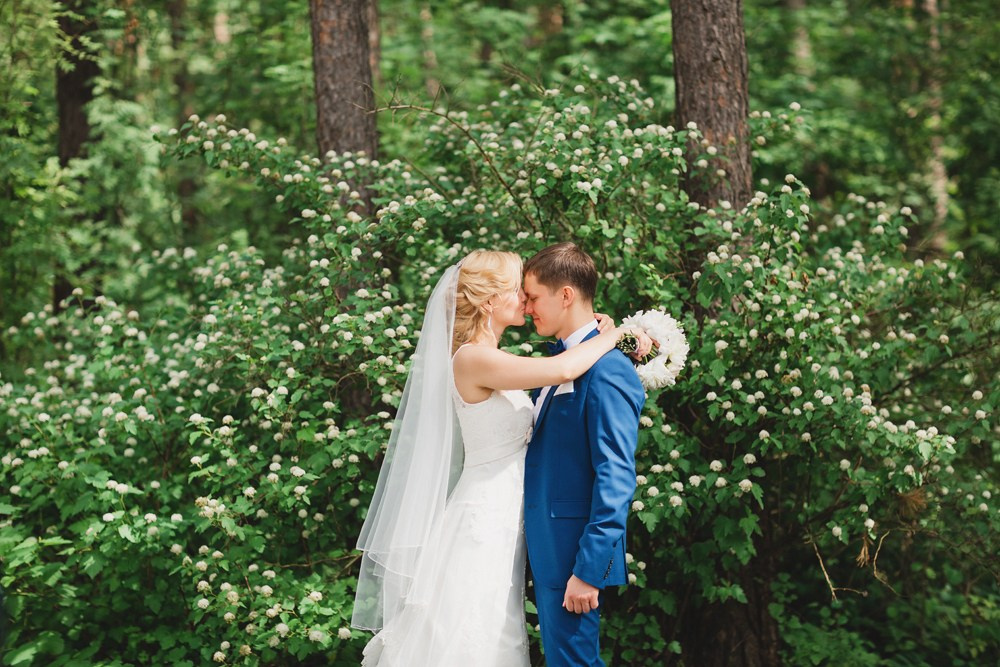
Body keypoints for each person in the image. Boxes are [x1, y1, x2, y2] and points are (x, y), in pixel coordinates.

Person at [352, 249, 649, 666]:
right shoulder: (474, 358)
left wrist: (607, 336)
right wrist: (615, 335)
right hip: (483, 522)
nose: (525, 302)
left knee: (495, 635)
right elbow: (564, 370)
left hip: (514, 527)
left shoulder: (505, 359)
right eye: (517, 291)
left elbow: (605, 463)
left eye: (531, 295)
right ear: (491, 301)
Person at [522, 242, 646, 666]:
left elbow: (616, 476)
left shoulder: (609, 369)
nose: (527, 308)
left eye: (533, 298)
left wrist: (589, 570)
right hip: (545, 546)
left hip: (573, 556)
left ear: (566, 295)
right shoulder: (561, 361)